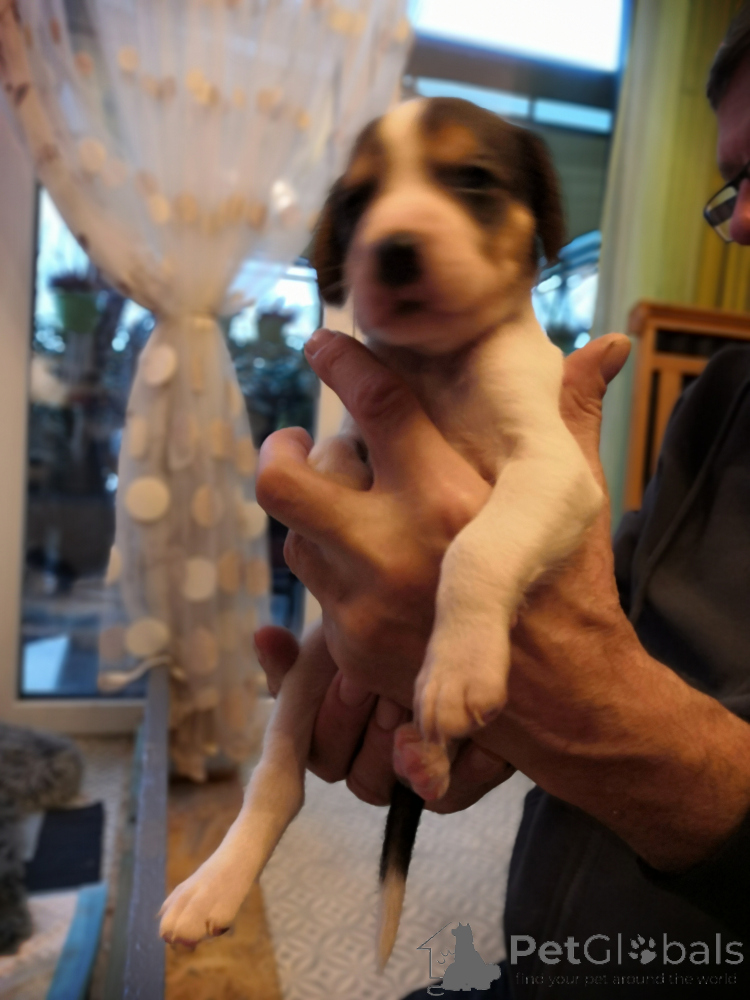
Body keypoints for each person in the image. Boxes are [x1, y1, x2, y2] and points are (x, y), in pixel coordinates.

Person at [254, 6, 750, 997]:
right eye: (734, 185)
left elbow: (582, 673)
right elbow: (605, 622)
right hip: (544, 955)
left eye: (471, 186)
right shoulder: (721, 397)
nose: (742, 223)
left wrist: (569, 699)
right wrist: (501, 730)